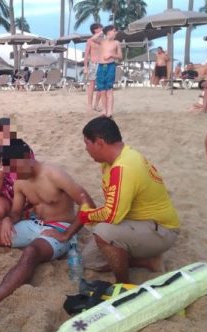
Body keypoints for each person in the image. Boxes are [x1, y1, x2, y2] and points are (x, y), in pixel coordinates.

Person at [0, 139, 95, 316]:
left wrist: (68, 234)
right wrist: (9, 220)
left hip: (59, 227)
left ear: (27, 158)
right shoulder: (20, 180)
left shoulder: (55, 175)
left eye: (15, 169)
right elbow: (16, 212)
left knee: (31, 252)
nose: (14, 175)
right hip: (34, 224)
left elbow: (88, 204)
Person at [44, 116, 179, 284]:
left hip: (162, 230)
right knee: (89, 260)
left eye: (87, 143)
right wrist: (67, 234)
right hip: (137, 222)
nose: (86, 149)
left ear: (100, 142)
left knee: (103, 233)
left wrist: (86, 215)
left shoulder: (123, 168)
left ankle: (124, 285)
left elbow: (112, 214)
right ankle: (148, 262)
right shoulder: (111, 161)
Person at [95, 25, 123, 117]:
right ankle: (104, 110)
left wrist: (111, 55)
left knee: (109, 89)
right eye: (114, 31)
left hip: (110, 65)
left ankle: (109, 112)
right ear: (108, 32)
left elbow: (120, 57)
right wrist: (102, 32)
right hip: (101, 66)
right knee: (102, 90)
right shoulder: (102, 42)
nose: (115, 33)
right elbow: (92, 39)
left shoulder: (116, 43)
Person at [84, 22, 103, 112]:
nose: (102, 28)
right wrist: (85, 66)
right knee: (92, 85)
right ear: (95, 30)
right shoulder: (90, 40)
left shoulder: (103, 40)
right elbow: (86, 55)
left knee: (101, 86)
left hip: (102, 63)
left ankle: (96, 104)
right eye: (100, 27)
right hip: (93, 63)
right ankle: (89, 105)